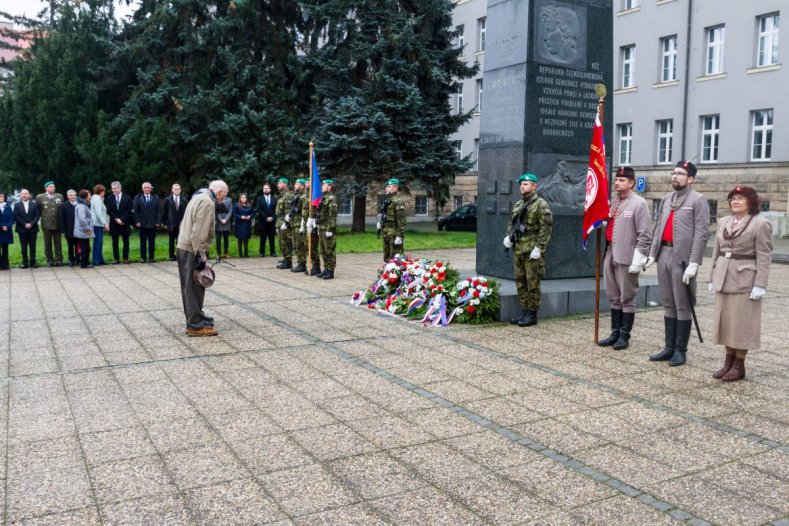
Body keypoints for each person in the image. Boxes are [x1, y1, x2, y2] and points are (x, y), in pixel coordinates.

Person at [645, 161, 710, 366]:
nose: (675, 176)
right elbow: (658, 228)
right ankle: (669, 347)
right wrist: (651, 254)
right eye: (674, 173)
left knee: (683, 303)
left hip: (682, 258)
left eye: (680, 174)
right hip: (663, 253)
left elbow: (702, 233)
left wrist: (694, 262)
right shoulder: (666, 198)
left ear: (690, 179)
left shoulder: (698, 200)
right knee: (668, 301)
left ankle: (680, 350)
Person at [707, 186, 772, 382]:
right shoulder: (724, 221)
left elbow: (764, 255)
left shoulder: (760, 224)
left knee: (742, 323)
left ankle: (739, 364)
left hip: (745, 278)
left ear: (751, 202)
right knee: (726, 322)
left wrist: (760, 284)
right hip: (724, 276)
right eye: (732, 198)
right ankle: (728, 362)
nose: (735, 201)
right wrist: (712, 275)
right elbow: (716, 250)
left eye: (740, 198)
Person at [598, 167, 652, 350]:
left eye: (622, 180)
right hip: (610, 251)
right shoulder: (614, 202)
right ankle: (614, 333)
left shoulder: (639, 203)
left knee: (626, 296)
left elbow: (645, 234)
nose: (617, 183)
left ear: (631, 183)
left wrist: (639, 259)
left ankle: (624, 335)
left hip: (627, 255)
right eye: (616, 179)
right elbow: (612, 223)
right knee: (613, 295)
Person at [177, 180, 229, 336]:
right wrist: (201, 254)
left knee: (190, 287)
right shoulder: (207, 202)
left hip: (184, 246)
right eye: (223, 196)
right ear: (218, 192)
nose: (223, 200)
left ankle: (196, 317)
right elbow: (199, 231)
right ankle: (195, 325)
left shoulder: (199, 197)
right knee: (194, 288)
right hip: (192, 249)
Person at [503, 173, 553, 327]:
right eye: (521, 184)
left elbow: (546, 229)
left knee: (533, 283)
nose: (522, 186)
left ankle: (532, 314)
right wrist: (508, 238)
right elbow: (513, 223)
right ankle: (524, 311)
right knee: (520, 281)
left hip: (532, 250)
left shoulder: (541, 204)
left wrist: (539, 248)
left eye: (526, 184)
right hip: (519, 248)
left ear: (534, 186)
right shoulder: (519, 204)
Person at [35, 181, 64, 267]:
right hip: (46, 224)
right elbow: (38, 210)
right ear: (46, 188)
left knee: (58, 243)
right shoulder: (40, 197)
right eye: (50, 187)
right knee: (47, 243)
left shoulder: (59, 196)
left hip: (57, 224)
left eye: (53, 187)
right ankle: (50, 260)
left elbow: (61, 210)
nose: (53, 188)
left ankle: (59, 260)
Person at [379, 178, 407, 262]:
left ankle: (396, 275)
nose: (386, 188)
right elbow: (386, 216)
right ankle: (387, 274)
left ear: (395, 187)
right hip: (387, 233)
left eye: (388, 186)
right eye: (386, 187)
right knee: (386, 257)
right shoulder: (388, 200)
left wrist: (399, 236)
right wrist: (381, 223)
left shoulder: (398, 201)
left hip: (394, 234)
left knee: (396, 259)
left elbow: (402, 221)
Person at [132, 182, 161, 263]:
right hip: (142, 224)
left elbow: (159, 211)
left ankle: (151, 257)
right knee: (142, 242)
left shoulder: (156, 198)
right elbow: (135, 211)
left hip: (153, 224)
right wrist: (137, 221)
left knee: (152, 242)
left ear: (151, 188)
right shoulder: (137, 198)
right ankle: (143, 258)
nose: (147, 189)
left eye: (148, 187)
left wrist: (158, 222)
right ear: (142, 189)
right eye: (145, 187)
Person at [316, 179, 338, 279]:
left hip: (328, 229)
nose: (322, 187)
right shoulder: (323, 198)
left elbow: (332, 216)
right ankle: (325, 269)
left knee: (329, 250)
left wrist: (330, 229)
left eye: (324, 185)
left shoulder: (331, 199)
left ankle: (331, 271)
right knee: (322, 250)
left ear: (329, 187)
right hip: (321, 228)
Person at [106, 181, 133, 264]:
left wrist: (122, 219)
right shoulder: (110, 198)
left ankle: (125, 258)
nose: (113, 190)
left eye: (115, 188)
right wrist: (116, 219)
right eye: (112, 188)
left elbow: (129, 211)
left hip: (125, 223)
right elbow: (109, 210)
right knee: (115, 242)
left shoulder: (127, 197)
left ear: (119, 188)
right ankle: (116, 258)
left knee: (126, 241)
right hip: (114, 223)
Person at [13, 189, 40, 268]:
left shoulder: (34, 204)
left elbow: (37, 216)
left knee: (33, 246)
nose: (24, 195)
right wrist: (24, 224)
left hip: (33, 229)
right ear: (20, 195)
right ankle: (24, 262)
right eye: (22, 194)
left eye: (26, 194)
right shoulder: (17, 205)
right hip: (22, 229)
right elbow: (16, 216)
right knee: (23, 247)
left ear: (29, 195)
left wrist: (31, 224)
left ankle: (33, 262)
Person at [161, 184, 188, 261]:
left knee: (180, 241)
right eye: (175, 189)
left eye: (178, 189)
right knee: (171, 241)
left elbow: (187, 212)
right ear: (172, 190)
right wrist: (165, 223)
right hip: (171, 223)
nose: (177, 190)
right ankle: (171, 256)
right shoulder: (168, 200)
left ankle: (180, 256)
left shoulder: (184, 199)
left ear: (180, 190)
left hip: (181, 224)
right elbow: (164, 212)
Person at [289, 178, 308, 273]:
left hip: (300, 223)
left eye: (297, 184)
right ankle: (300, 262)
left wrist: (302, 224)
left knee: (300, 245)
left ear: (302, 186)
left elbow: (303, 211)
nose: (295, 185)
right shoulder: (297, 195)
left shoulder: (304, 196)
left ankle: (302, 264)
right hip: (294, 223)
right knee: (296, 245)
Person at [303, 180, 321, 275]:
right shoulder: (306, 195)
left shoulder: (315, 195)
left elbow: (316, 209)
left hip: (313, 223)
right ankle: (314, 266)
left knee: (313, 246)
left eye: (308, 182)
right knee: (308, 246)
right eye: (305, 183)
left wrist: (314, 220)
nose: (306, 184)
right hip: (307, 223)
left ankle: (316, 267)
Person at [275, 178, 294, 269]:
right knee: (282, 242)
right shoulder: (282, 195)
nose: (278, 185)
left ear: (285, 184)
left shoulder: (288, 196)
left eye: (280, 183)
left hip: (285, 222)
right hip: (280, 221)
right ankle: (286, 258)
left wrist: (286, 223)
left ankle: (288, 261)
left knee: (286, 242)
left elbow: (289, 212)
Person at [74, 189, 94, 268]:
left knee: (86, 247)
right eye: (89, 195)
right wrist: (88, 229)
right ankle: (84, 264)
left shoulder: (83, 204)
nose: (90, 196)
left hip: (83, 230)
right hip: (83, 231)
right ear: (85, 197)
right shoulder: (81, 206)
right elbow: (82, 219)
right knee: (84, 248)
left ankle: (85, 263)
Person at [58, 190, 79, 266]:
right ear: (67, 196)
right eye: (71, 195)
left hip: (78, 230)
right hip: (69, 230)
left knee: (78, 245)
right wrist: (63, 231)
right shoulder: (63, 206)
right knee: (70, 246)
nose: (73, 196)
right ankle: (71, 260)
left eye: (74, 195)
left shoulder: (79, 204)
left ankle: (78, 259)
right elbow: (61, 219)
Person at [256, 182, 277, 257]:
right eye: (264, 188)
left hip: (272, 221)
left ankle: (273, 252)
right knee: (263, 237)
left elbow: (276, 210)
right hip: (263, 221)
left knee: (272, 237)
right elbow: (259, 209)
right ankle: (262, 252)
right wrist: (266, 217)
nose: (265, 190)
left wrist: (272, 217)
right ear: (263, 190)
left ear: (270, 190)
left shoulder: (274, 199)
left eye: (267, 188)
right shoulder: (259, 199)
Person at [90, 184, 109, 265]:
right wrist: (105, 223)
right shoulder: (97, 199)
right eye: (104, 191)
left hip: (98, 224)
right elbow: (98, 213)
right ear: (101, 191)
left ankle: (100, 259)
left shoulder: (98, 199)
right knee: (97, 242)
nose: (104, 193)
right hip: (97, 224)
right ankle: (96, 260)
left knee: (99, 242)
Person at [233, 193, 254, 258]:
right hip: (239, 224)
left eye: (245, 197)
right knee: (240, 239)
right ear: (240, 198)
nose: (243, 199)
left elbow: (253, 213)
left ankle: (246, 253)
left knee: (246, 239)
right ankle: (240, 253)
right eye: (242, 197)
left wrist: (249, 216)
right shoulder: (236, 205)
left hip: (247, 224)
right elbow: (234, 214)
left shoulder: (249, 205)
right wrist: (240, 217)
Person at [215, 194, 232, 258]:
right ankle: (218, 253)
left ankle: (226, 253)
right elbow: (216, 212)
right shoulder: (217, 200)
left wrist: (226, 219)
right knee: (218, 238)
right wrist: (220, 219)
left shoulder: (229, 200)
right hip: (219, 221)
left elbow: (230, 211)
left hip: (226, 221)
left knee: (226, 238)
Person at [0, 191, 14, 270]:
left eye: (3, 196)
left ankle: (5, 265)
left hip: (6, 231)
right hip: (0, 230)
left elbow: (11, 218)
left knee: (5, 249)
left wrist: (7, 226)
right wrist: (2, 226)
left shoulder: (8, 207)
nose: (1, 198)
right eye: (0, 196)